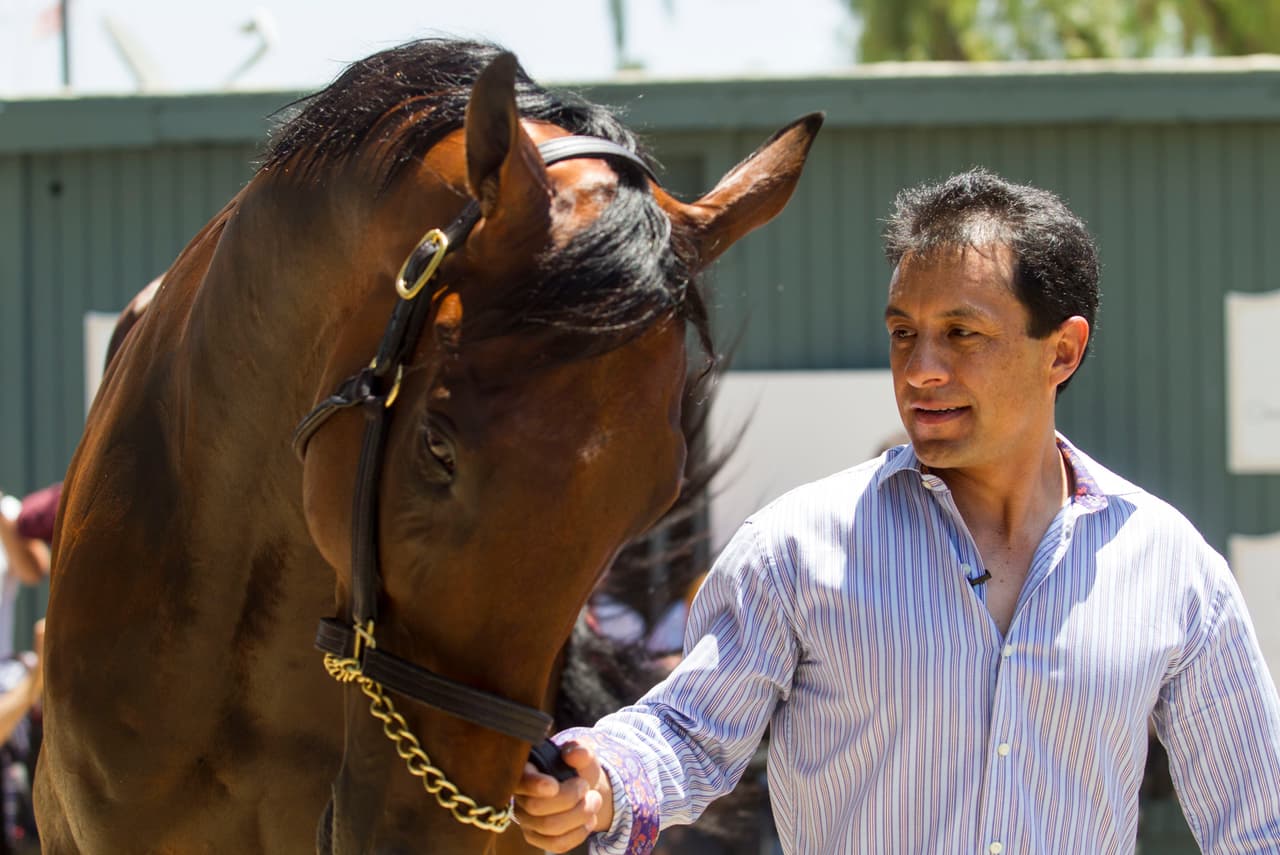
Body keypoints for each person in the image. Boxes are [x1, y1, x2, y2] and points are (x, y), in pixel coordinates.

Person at [513, 168, 1280, 854]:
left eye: (961, 334)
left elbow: (1258, 821)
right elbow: (685, 730)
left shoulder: (1172, 568)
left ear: (1063, 352)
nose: (920, 369)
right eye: (903, 334)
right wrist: (603, 778)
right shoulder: (797, 547)